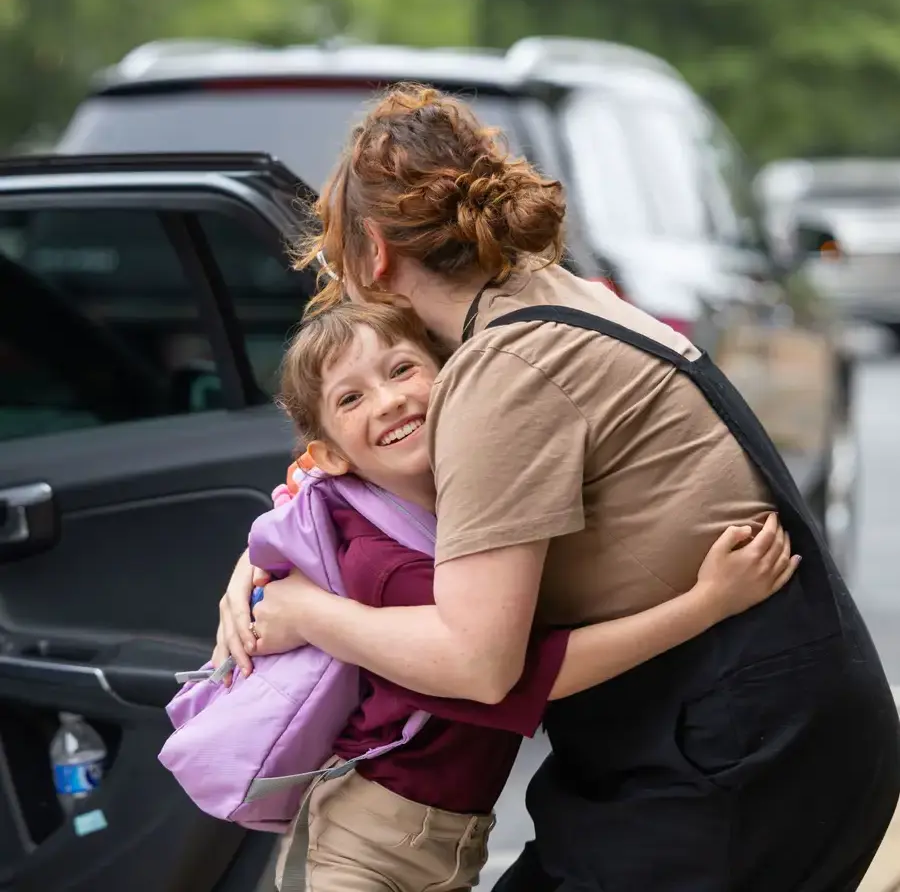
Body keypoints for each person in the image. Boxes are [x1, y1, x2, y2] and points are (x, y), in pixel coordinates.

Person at [217, 84, 900, 892]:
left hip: (737, 756)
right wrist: (263, 559)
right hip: (762, 725)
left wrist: (306, 613)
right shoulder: (554, 295)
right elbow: (347, 482)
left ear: (373, 251)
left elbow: (479, 665)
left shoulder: (505, 368)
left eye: (336, 261)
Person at [266, 300, 795, 891]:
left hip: (439, 839)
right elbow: (523, 677)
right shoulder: (387, 563)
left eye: (401, 370)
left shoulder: (460, 506)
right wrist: (705, 605)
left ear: (454, 374)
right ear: (332, 456)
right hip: (370, 846)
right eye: (351, 398)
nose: (388, 400)